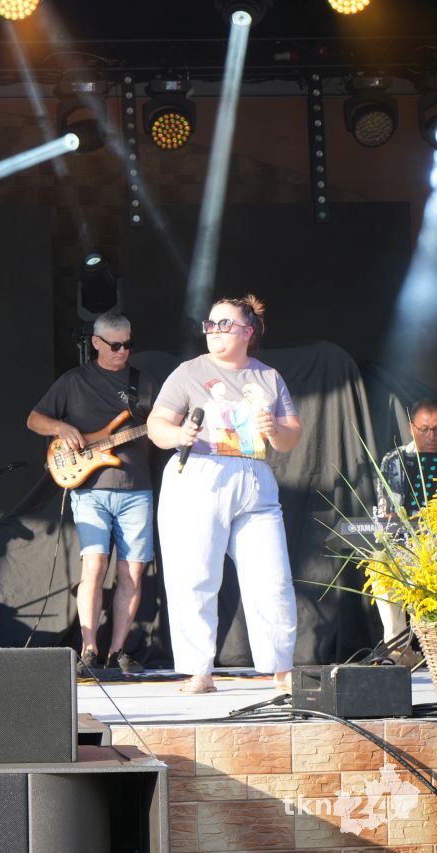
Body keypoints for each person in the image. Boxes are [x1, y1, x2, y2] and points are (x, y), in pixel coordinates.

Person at [147, 295, 301, 694]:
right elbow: (156, 425)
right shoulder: (189, 372)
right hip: (201, 474)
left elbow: (290, 437)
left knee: (272, 578)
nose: (215, 331)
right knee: (195, 575)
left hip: (255, 477)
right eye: (210, 324)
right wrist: (178, 433)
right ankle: (198, 670)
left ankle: (281, 668)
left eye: (225, 324)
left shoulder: (268, 377)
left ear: (248, 332)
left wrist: (274, 429)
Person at [27, 309, 156, 676]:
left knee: (132, 572)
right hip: (90, 489)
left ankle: (117, 651)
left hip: (136, 488)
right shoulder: (73, 381)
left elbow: (163, 425)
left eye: (128, 345)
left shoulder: (145, 383)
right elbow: (34, 419)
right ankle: (88, 650)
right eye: (115, 345)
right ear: (96, 343)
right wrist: (61, 427)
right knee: (94, 566)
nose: (123, 352)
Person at [371, 398, 437, 649]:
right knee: (380, 563)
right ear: (411, 428)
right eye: (425, 429)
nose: (432, 436)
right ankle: (399, 647)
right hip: (409, 544)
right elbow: (387, 515)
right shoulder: (394, 460)